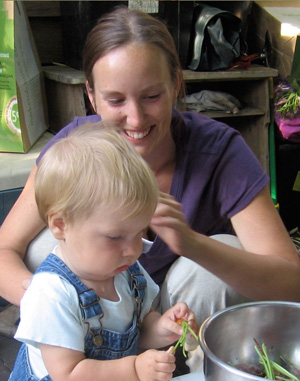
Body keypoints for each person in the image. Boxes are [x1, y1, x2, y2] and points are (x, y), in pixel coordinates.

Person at [0, 6, 299, 343]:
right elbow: (5, 248)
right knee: (48, 245)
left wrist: (192, 244)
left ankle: (184, 369)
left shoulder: (220, 152)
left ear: (176, 84)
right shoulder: (73, 151)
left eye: (152, 96)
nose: (136, 119)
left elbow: (293, 283)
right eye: (115, 100)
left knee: (216, 264)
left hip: (183, 319)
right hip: (93, 323)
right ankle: (87, 361)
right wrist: (49, 305)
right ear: (91, 96)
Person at [3, 122, 198, 381]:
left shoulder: (126, 272)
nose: (132, 249)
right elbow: (69, 376)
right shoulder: (52, 293)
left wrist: (162, 329)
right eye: (115, 236)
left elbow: (140, 330)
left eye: (139, 231)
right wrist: (135, 369)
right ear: (61, 225)